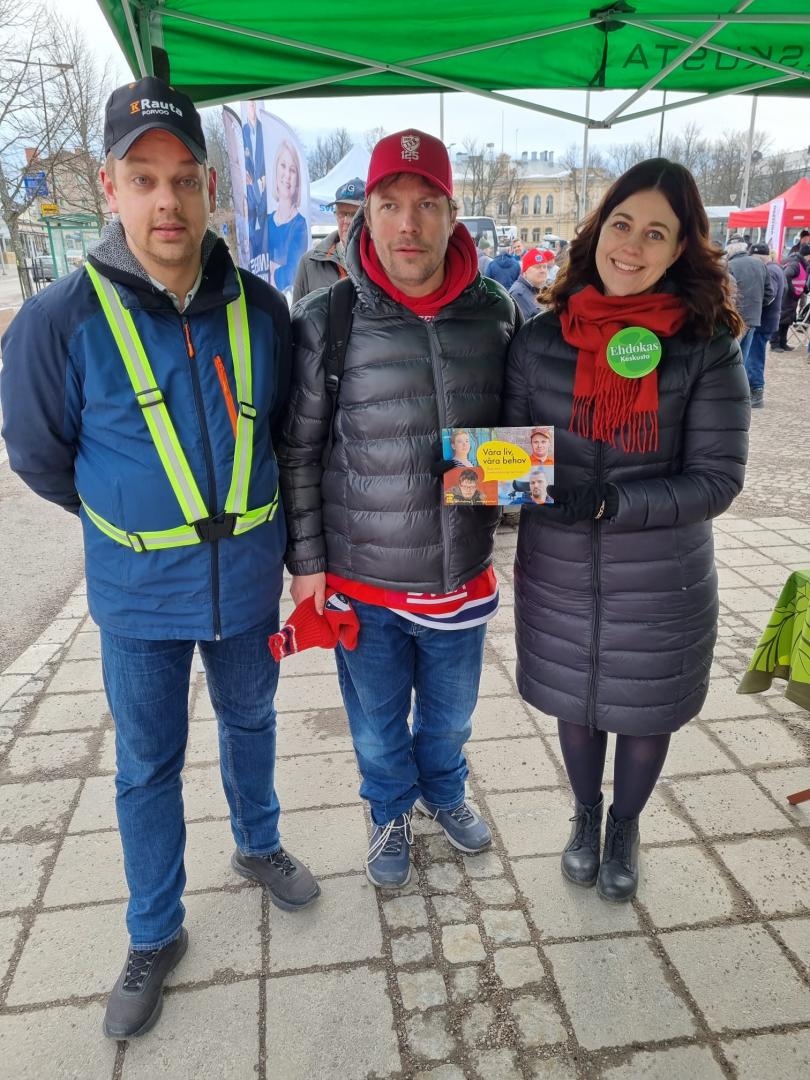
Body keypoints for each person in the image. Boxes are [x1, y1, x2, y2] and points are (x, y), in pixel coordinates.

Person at [0, 76, 319, 1040]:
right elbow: (40, 456)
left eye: (184, 178)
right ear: (110, 187)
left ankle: (257, 844)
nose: (167, 201)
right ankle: (153, 931)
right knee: (147, 764)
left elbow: (286, 437)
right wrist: (132, 519)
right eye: (143, 179)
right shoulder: (58, 319)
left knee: (252, 720)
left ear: (211, 188)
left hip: (248, 580)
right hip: (138, 595)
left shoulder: (263, 309)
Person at [278, 128, 520, 889]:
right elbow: (298, 452)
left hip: (460, 579)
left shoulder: (497, 311)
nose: (408, 224)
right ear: (366, 216)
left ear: (452, 215)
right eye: (390, 204)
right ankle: (389, 810)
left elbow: (519, 443)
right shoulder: (327, 318)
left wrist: (499, 477)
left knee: (450, 719)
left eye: (427, 204)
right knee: (378, 729)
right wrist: (308, 566)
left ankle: (444, 792)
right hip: (364, 586)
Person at [503, 158, 749, 904]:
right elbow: (513, 451)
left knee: (645, 711)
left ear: (680, 249)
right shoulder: (541, 339)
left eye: (655, 233)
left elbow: (718, 478)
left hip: (661, 575)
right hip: (558, 566)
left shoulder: (707, 346)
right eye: (621, 224)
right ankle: (585, 815)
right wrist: (475, 471)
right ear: (597, 230)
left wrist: (617, 503)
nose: (632, 247)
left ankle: (624, 824)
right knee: (577, 704)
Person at [292, 177, 365, 303]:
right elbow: (296, 313)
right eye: (342, 213)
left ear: (368, 217)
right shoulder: (309, 263)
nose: (346, 221)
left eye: (353, 214)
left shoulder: (382, 261)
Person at [746, 242, 786, 408]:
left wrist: (754, 306)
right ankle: (754, 390)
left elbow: (770, 295)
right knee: (755, 356)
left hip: (762, 321)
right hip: (767, 320)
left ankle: (756, 392)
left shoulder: (769, 271)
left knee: (754, 358)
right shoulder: (775, 268)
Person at [266, 139, 308, 293]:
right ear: (276, 169)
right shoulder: (266, 222)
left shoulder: (300, 226)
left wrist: (272, 270)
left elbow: (291, 275)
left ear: (298, 179)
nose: (287, 175)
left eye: (292, 170)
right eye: (283, 166)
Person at [725, 235, 774, 365]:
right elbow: (770, 293)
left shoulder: (729, 266)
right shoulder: (760, 264)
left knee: (729, 359)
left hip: (735, 319)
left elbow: (725, 296)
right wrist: (756, 306)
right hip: (753, 317)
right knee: (743, 359)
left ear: (729, 250)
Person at [771, 244, 810, 352]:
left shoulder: (802, 264)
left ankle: (783, 343)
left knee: (788, 320)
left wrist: (805, 288)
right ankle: (774, 344)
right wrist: (791, 290)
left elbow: (801, 278)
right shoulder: (795, 264)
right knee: (781, 319)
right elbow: (786, 275)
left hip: (793, 297)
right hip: (787, 296)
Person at [242, 100, 267, 261]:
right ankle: (253, 257)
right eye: (250, 105)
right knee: (251, 221)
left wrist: (265, 176)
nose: (253, 108)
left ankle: (264, 254)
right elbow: (242, 157)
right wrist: (244, 173)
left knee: (263, 220)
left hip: (263, 184)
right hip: (250, 186)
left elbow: (267, 156)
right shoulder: (243, 131)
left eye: (254, 105)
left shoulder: (263, 129)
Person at [509, 248, 554, 319]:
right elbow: (524, 325)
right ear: (525, 272)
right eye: (537, 267)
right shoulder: (518, 294)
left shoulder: (539, 289)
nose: (543, 270)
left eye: (544, 267)